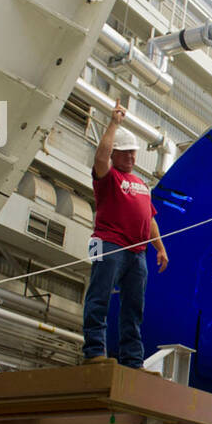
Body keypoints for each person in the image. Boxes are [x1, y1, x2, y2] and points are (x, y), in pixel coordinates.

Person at [82, 103, 167, 368]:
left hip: (138, 253)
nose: (131, 157)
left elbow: (149, 218)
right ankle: (94, 351)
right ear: (115, 155)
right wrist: (114, 123)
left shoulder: (142, 184)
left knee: (134, 308)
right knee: (100, 295)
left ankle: (132, 360)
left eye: (133, 153)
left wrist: (160, 248)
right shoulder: (107, 177)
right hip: (107, 244)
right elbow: (99, 157)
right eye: (125, 153)